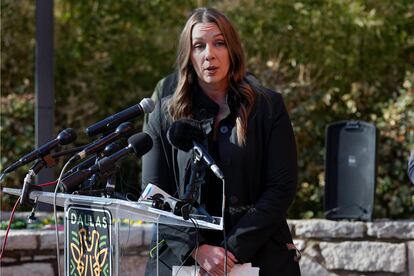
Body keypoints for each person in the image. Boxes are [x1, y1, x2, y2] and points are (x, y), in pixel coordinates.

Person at [142, 7, 300, 276]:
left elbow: (281, 189)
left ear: (233, 50)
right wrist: (198, 249)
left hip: (259, 253)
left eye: (219, 43)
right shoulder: (164, 113)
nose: (209, 55)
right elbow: (154, 195)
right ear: (188, 55)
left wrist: (230, 250)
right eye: (199, 46)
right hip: (183, 260)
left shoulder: (268, 107)